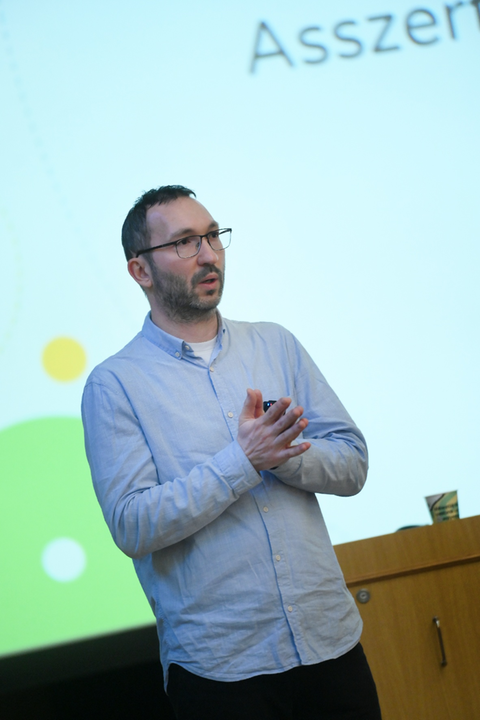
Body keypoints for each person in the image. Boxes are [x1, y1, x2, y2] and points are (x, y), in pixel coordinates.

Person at [81, 185, 382, 720]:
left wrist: (282, 456)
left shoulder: (276, 344)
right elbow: (131, 524)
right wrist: (242, 462)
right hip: (221, 670)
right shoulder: (115, 385)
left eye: (213, 235)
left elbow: (352, 462)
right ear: (140, 271)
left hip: (330, 643)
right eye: (185, 242)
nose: (209, 254)